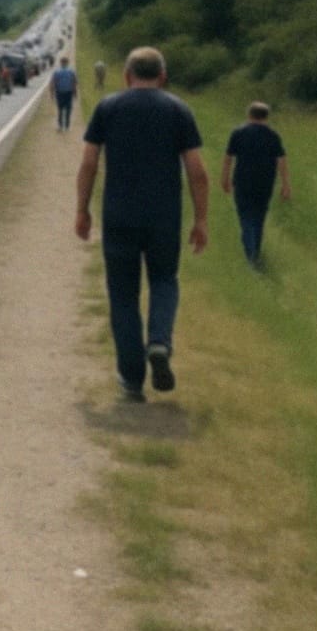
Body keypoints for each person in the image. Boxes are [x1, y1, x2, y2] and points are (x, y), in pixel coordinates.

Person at [75, 46, 209, 402]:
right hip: (164, 218)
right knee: (165, 280)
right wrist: (201, 220)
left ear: (126, 75)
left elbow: (89, 163)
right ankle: (160, 343)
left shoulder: (108, 108)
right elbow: (197, 171)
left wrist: (82, 210)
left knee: (123, 295)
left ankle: (131, 379)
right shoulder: (179, 110)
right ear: (163, 77)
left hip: (119, 215)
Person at [221, 102, 291, 267]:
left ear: (249, 115)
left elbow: (228, 158)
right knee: (259, 217)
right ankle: (255, 252)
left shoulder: (238, 133)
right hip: (265, 182)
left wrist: (225, 178)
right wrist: (286, 185)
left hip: (243, 181)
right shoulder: (273, 136)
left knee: (246, 217)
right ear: (266, 116)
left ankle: (251, 253)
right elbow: (281, 161)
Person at [51, 56, 78, 131]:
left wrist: (52, 93)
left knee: (60, 109)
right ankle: (67, 126)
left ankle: (60, 126)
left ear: (61, 63)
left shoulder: (57, 72)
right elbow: (74, 83)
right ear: (67, 63)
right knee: (68, 110)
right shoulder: (71, 72)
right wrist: (75, 93)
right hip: (68, 93)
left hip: (60, 92)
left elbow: (53, 83)